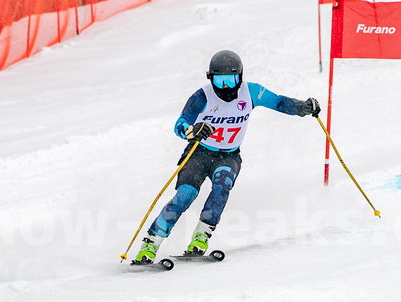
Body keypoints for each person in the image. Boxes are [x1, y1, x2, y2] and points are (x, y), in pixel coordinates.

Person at [133, 49, 321, 264]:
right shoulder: (202, 96)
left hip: (228, 156)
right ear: (210, 78)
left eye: (230, 80)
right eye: (220, 80)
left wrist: (301, 107)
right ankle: (150, 245)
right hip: (198, 154)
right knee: (185, 195)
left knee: (222, 187)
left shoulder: (251, 92)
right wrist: (193, 131)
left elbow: (278, 102)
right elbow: (180, 124)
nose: (225, 87)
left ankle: (200, 238)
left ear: (239, 77)